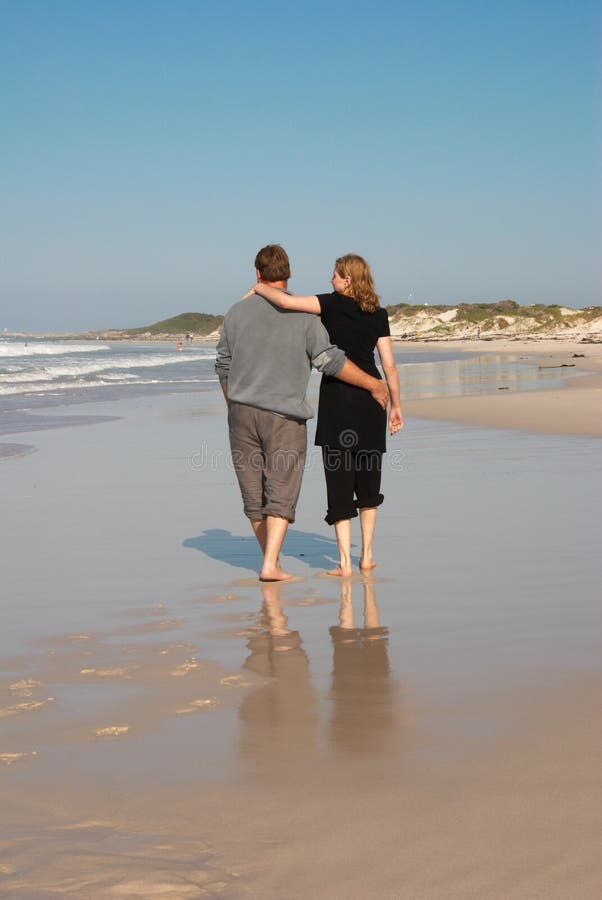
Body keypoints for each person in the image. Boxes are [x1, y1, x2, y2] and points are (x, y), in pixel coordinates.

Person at [215, 245, 388, 582]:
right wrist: (374, 384)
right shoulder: (306, 318)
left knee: (253, 492)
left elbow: (223, 363)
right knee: (280, 489)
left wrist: (232, 403)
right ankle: (270, 565)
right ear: (289, 274)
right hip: (284, 416)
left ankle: (272, 561)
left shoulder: (236, 312)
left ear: (257, 274)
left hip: (241, 413)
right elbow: (328, 360)